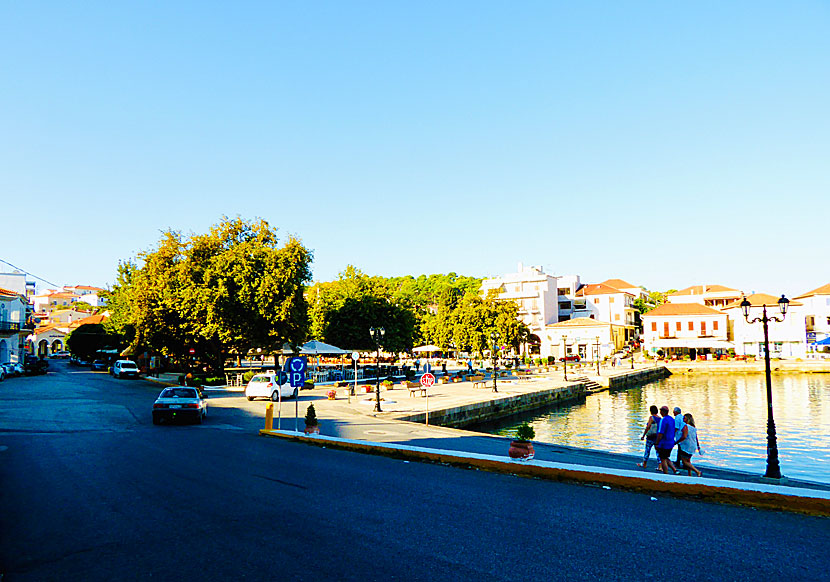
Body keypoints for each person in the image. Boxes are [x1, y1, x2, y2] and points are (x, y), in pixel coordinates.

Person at [654, 405, 678, 474]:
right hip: (671, 442)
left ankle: (666, 473)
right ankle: (674, 470)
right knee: (666, 457)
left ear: (662, 412)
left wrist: (657, 443)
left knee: (663, 459)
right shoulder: (672, 419)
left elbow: (660, 433)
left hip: (664, 443)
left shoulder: (663, 420)